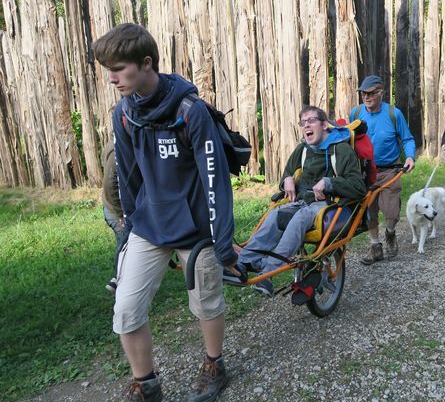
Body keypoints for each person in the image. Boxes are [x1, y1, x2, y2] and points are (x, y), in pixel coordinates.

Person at [93, 23, 240, 402]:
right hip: (149, 226)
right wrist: (128, 228)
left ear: (146, 63)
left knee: (206, 302)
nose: (111, 78)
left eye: (119, 69)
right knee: (126, 309)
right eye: (107, 69)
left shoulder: (189, 110)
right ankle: (147, 383)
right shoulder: (124, 114)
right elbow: (129, 178)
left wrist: (222, 244)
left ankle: (214, 364)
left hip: (196, 228)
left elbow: (215, 180)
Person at [233, 106, 366, 297]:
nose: (306, 126)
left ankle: (268, 274)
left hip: (330, 205)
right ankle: (244, 262)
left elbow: (358, 187)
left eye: (311, 121)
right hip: (303, 201)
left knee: (301, 217)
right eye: (303, 123)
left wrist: (328, 183)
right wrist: (286, 179)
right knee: (276, 215)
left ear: (324, 124)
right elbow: (287, 173)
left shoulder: (342, 150)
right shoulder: (303, 149)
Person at [349, 75, 416, 265]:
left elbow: (408, 138)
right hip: (365, 172)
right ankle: (375, 246)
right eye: (363, 93)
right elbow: (349, 139)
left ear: (381, 93)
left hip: (390, 170)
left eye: (370, 93)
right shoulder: (355, 113)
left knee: (391, 210)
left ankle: (390, 233)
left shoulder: (394, 114)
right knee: (369, 211)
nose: (366, 97)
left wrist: (410, 156)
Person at [101, 137, 127, 293]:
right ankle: (118, 285)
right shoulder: (116, 147)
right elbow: (110, 183)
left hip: (123, 208)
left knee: (126, 248)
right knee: (127, 248)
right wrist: (120, 213)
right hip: (117, 210)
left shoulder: (120, 141)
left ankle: (120, 283)